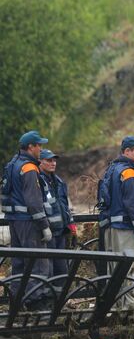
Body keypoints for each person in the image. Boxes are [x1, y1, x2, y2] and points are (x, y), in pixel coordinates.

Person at [1, 131, 52, 310]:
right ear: (31, 147)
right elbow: (33, 201)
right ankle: (36, 303)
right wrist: (44, 225)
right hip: (29, 223)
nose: (41, 149)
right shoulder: (29, 168)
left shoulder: (13, 164)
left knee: (19, 263)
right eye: (39, 146)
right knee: (38, 262)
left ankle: (16, 302)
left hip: (14, 221)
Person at [100, 136, 134, 308]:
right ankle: (131, 307)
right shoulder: (128, 172)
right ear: (126, 151)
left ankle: (115, 306)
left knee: (115, 269)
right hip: (126, 228)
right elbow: (133, 204)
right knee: (131, 268)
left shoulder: (112, 169)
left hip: (111, 227)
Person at [39, 149, 77, 288]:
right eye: (49, 160)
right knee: (47, 270)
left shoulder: (59, 182)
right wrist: (43, 227)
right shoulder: (38, 181)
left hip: (61, 232)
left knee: (61, 270)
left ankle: (60, 302)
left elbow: (66, 207)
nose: (53, 163)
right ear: (40, 162)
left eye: (54, 160)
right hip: (47, 234)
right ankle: (49, 302)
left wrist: (71, 226)